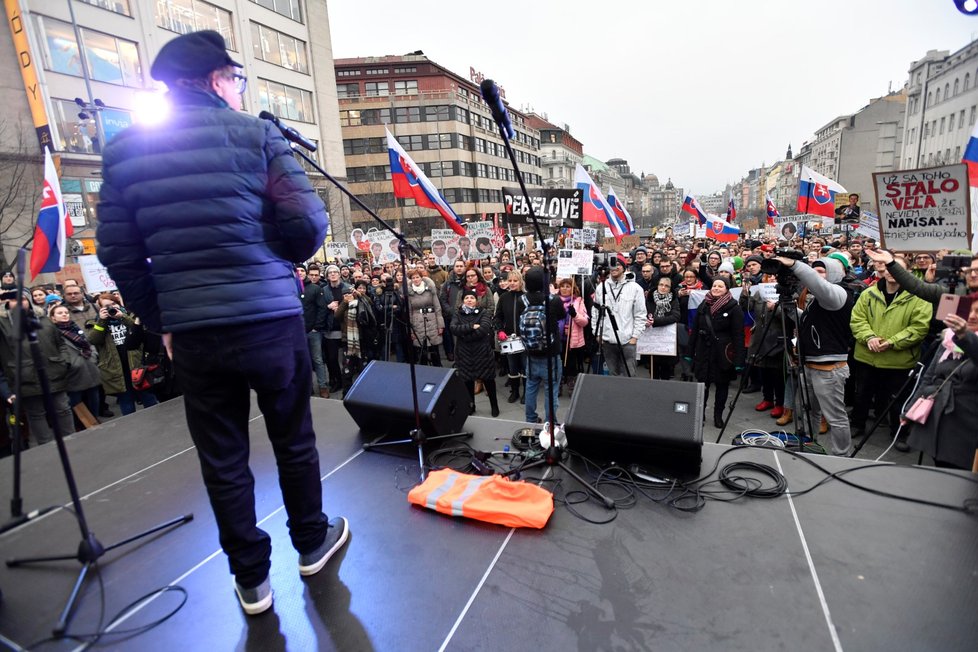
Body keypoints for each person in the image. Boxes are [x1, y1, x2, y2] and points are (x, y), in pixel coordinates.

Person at [96, 31, 346, 615]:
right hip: (269, 320)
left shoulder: (126, 150)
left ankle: (251, 580)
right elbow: (309, 225)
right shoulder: (258, 135)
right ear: (214, 80)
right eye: (236, 78)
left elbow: (119, 253)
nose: (239, 88)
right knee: (293, 439)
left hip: (194, 334)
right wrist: (271, 257)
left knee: (223, 455)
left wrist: (162, 318)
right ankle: (312, 542)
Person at [774, 256, 855, 455]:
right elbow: (806, 321)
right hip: (809, 364)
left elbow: (817, 284)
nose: (817, 276)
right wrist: (788, 305)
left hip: (829, 368)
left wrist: (794, 265)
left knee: (835, 417)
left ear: (834, 273)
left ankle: (841, 457)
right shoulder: (818, 302)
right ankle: (811, 447)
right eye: (815, 270)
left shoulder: (838, 294)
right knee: (809, 412)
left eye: (822, 271)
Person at [849, 257, 931, 450]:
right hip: (867, 356)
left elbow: (919, 328)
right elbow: (857, 319)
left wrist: (892, 343)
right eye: (887, 268)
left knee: (898, 399)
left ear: (907, 272)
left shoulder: (919, 297)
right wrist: (869, 337)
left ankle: (899, 433)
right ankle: (857, 424)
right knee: (862, 394)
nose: (890, 272)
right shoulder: (868, 294)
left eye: (897, 269)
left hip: (899, 360)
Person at [903, 299, 978, 469]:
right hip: (941, 419)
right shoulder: (949, 340)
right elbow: (929, 376)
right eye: (970, 311)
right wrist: (910, 408)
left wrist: (966, 336)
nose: (972, 316)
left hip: (968, 427)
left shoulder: (964, 338)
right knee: (939, 471)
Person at [0, 291, 75, 447]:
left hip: (53, 372)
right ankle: (46, 447)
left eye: (22, 298)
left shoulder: (43, 318)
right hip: (25, 379)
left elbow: (60, 343)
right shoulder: (3, 324)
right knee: (36, 414)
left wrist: (64, 362)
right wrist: (6, 388)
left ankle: (72, 442)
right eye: (14, 299)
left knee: (63, 408)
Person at [687, 278, 745, 427]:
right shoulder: (704, 305)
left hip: (722, 353)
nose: (716, 288)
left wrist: (739, 360)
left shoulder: (734, 307)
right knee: (702, 386)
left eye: (720, 286)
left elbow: (738, 335)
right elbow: (694, 331)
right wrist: (689, 351)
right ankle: (700, 415)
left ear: (727, 289)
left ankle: (718, 415)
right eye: (714, 285)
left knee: (722, 386)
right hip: (703, 351)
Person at [516, 267, 565, 425]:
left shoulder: (521, 300)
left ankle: (530, 419)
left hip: (531, 352)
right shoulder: (553, 300)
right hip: (550, 354)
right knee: (551, 390)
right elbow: (562, 316)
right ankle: (550, 422)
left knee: (530, 387)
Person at [592, 259, 646, 377]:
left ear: (624, 268)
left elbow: (640, 314)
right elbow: (595, 312)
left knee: (629, 375)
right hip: (607, 340)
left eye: (618, 265)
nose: (614, 268)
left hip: (627, 340)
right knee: (612, 374)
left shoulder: (635, 288)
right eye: (612, 265)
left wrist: (635, 336)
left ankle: (628, 395)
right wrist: (596, 333)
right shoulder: (601, 287)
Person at [451, 288, 500, 417]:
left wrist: (464, 335)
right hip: (464, 354)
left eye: (472, 298)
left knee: (488, 380)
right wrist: (472, 327)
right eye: (466, 298)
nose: (469, 300)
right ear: (463, 301)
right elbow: (453, 328)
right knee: (467, 382)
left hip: (482, 352)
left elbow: (484, 329)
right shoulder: (457, 314)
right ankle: (471, 406)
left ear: (476, 300)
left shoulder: (483, 312)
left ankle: (494, 406)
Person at [50, 304, 102, 421]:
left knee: (94, 399)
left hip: (89, 367)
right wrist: (71, 364)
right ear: (53, 318)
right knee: (74, 402)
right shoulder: (53, 333)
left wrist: (93, 356)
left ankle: (94, 421)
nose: (64, 314)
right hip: (73, 373)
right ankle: (80, 426)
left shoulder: (75, 327)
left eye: (66, 312)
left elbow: (89, 343)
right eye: (60, 313)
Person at [494, 271, 526, 404]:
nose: (512, 283)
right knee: (512, 367)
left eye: (515, 281)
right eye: (510, 281)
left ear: (520, 282)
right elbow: (498, 316)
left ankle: (526, 393)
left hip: (524, 338)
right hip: (508, 338)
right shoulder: (504, 297)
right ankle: (515, 391)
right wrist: (500, 330)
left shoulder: (525, 297)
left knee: (525, 367)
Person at [300, 264, 330, 398]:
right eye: (297, 271)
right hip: (297, 332)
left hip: (313, 331)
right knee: (303, 361)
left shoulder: (315, 288)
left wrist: (316, 327)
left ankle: (323, 386)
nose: (299, 273)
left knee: (317, 359)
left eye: (302, 270)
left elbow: (322, 308)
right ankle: (308, 388)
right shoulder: (290, 288)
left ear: (305, 273)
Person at [556, 277, 589, 393]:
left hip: (572, 339)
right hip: (557, 338)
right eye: (562, 286)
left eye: (568, 286)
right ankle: (558, 384)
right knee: (558, 362)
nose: (565, 289)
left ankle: (571, 385)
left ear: (572, 288)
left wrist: (575, 315)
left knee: (571, 363)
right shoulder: (555, 300)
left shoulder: (578, 301)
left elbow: (585, 322)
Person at [645, 275, 680, 380]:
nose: (663, 287)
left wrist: (656, 321)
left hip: (667, 340)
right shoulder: (650, 299)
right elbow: (643, 312)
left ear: (670, 288)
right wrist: (646, 320)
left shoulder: (673, 299)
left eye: (666, 286)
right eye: (661, 285)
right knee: (653, 371)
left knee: (665, 372)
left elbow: (676, 316)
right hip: (651, 339)